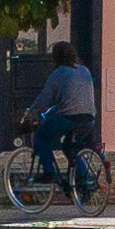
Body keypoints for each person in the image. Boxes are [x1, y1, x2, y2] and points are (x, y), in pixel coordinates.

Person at [31, 40, 100, 186]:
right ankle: (84, 179)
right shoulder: (84, 70)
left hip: (69, 119)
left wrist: (31, 112)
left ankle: (48, 172)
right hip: (89, 119)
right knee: (70, 147)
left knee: (41, 136)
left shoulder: (58, 73)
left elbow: (45, 99)